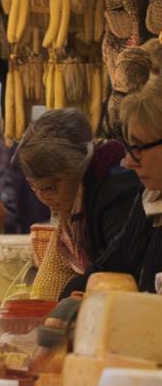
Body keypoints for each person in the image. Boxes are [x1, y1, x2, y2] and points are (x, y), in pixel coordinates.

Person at [16, 108, 142, 287]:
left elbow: (116, 268)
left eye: (51, 187)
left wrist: (71, 293)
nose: (44, 198)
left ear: (78, 167)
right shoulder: (76, 198)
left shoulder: (117, 192)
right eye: (35, 188)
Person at [67, 78, 162, 293]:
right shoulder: (150, 198)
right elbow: (112, 265)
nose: (128, 161)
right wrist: (69, 298)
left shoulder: (121, 194)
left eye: (138, 147)